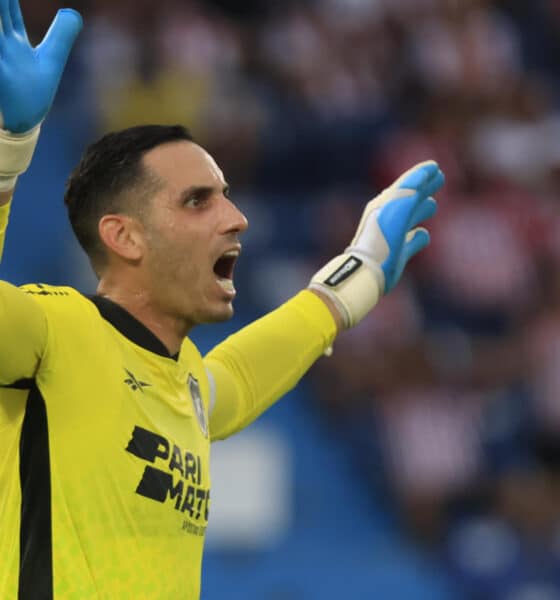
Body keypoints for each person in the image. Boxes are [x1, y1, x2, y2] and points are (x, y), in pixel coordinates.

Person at [0, 2, 444, 599]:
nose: (236, 218)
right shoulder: (55, 332)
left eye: (227, 198)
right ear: (123, 235)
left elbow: (237, 373)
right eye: (196, 201)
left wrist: (358, 276)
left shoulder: (183, 384)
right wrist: (10, 148)